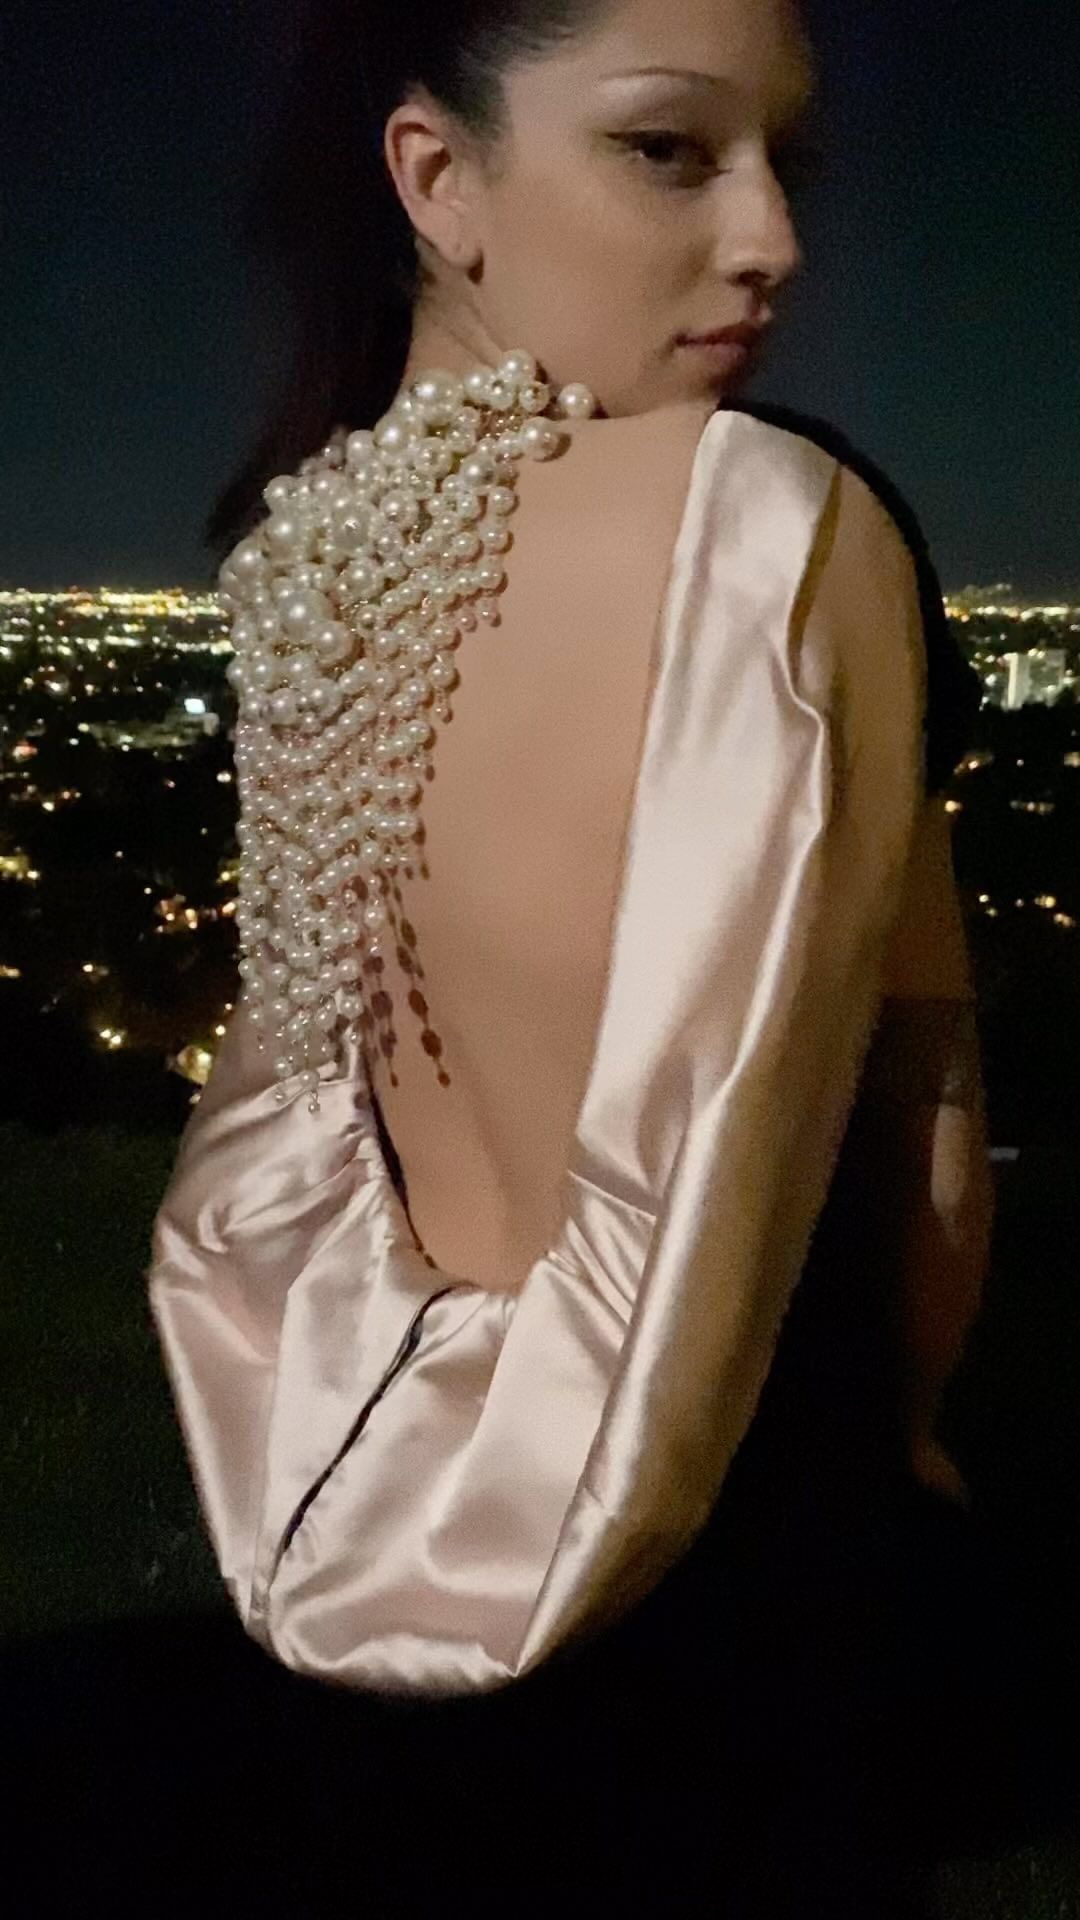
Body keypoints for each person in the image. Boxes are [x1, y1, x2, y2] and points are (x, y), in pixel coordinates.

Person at [12, 0, 1023, 1913]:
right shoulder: (778, 529)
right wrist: (913, 1443)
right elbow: (930, 1126)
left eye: (787, 166)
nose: (771, 242)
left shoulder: (308, 560)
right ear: (436, 178)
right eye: (669, 151)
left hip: (365, 1506)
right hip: (743, 1600)